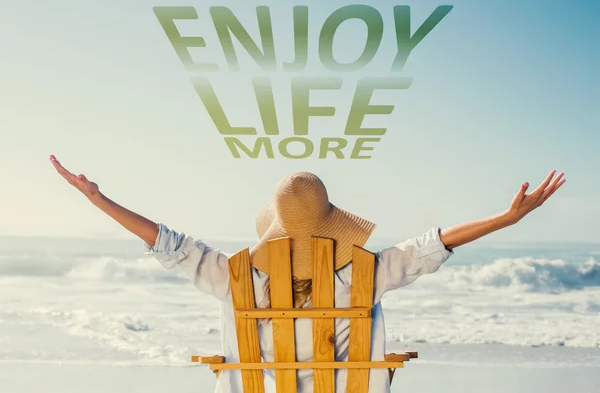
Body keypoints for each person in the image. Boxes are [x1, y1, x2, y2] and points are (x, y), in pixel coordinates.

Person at [49, 155, 565, 393]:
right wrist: (505, 218)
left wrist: (99, 199)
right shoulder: (366, 273)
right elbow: (436, 243)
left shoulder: (232, 277)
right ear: (333, 227)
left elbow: (165, 242)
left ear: (273, 230)